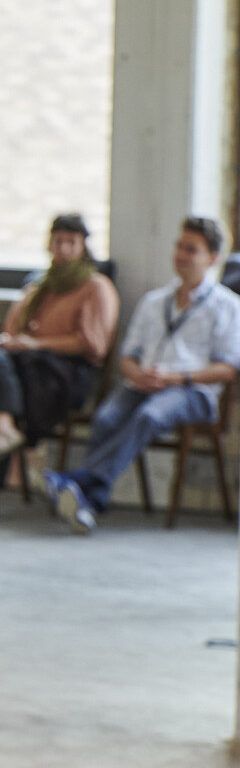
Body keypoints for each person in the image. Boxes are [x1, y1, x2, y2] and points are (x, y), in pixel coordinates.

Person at [45, 217, 240, 534]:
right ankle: (89, 500)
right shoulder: (154, 301)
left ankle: (80, 481)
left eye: (191, 250)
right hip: (142, 383)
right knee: (106, 418)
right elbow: (127, 356)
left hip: (191, 391)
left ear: (212, 258)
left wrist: (175, 378)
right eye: (179, 247)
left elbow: (228, 368)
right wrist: (139, 374)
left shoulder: (228, 306)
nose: (181, 255)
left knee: (150, 415)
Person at [0, 214, 119, 519]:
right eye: (58, 241)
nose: (63, 248)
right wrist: (14, 341)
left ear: (83, 247)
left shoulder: (95, 287)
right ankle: (4, 429)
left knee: (1, 395)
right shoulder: (39, 286)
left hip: (66, 374)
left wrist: (37, 344)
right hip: (27, 366)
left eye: (71, 242)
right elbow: (14, 330)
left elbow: (93, 344)